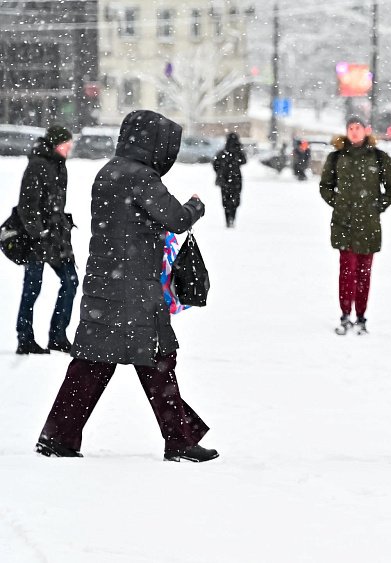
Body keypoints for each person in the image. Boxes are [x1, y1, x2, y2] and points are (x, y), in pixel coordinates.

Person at [36, 110, 218, 463]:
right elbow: (177, 218)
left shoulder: (108, 171)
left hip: (105, 285)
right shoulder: (142, 177)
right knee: (158, 361)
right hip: (135, 289)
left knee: (93, 364)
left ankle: (58, 436)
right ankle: (180, 441)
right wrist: (196, 205)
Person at [319, 116, 391, 335]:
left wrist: (377, 206)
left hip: (369, 225)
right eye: (351, 128)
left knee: (364, 274)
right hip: (344, 224)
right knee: (347, 272)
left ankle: (361, 317)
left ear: (366, 131)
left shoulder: (379, 157)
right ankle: (345, 315)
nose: (354, 132)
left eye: (358, 128)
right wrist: (339, 203)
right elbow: (325, 186)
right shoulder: (337, 157)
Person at [15, 125, 79, 355]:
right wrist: (38, 233)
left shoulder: (59, 165)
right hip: (38, 239)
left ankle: (58, 336)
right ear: (55, 144)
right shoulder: (37, 165)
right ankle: (25, 339)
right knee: (32, 288)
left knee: (70, 282)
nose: (70, 147)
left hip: (57, 237)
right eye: (66, 144)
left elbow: (56, 205)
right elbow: (27, 206)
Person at [212, 132, 247, 228]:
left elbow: (215, 164)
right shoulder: (238, 153)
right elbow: (244, 161)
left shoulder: (222, 153)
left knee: (226, 200)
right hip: (236, 180)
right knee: (234, 200)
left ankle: (228, 219)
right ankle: (232, 218)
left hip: (225, 180)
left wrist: (220, 173)